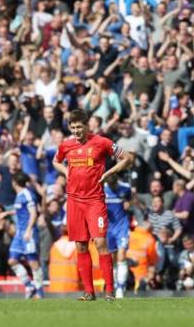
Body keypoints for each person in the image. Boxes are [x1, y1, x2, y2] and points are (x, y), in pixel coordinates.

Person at [52, 109, 133, 301]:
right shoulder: (66, 145)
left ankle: (110, 291)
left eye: (80, 127)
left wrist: (109, 173)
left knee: (100, 242)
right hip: (74, 201)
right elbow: (56, 161)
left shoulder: (101, 142)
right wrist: (65, 171)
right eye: (73, 127)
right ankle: (89, 292)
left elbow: (128, 158)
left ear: (87, 125)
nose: (77, 131)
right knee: (80, 246)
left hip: (95, 200)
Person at [0, 172, 44, 299]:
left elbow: (34, 213)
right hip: (20, 233)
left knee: (33, 262)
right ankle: (29, 286)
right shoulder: (19, 195)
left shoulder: (27, 195)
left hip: (28, 232)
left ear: (14, 183)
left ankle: (39, 292)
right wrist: (7, 213)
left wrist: (29, 230)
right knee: (12, 260)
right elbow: (21, 210)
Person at [103, 173, 132, 298]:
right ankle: (114, 285)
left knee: (121, 255)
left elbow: (131, 200)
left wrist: (128, 204)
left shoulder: (125, 188)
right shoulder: (102, 189)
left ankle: (121, 286)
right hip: (108, 228)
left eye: (114, 185)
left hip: (122, 227)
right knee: (112, 258)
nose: (112, 187)